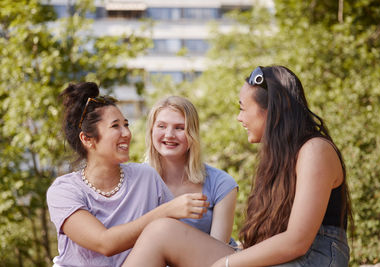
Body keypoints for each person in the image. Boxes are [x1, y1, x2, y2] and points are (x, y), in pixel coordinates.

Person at [122, 65, 352, 267]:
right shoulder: (281, 158)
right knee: (160, 231)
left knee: (162, 231)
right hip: (283, 260)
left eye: (243, 108)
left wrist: (226, 263)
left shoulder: (314, 150)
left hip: (311, 261)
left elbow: (297, 242)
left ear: (270, 111)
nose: (239, 118)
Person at [46, 82, 209, 267]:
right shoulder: (64, 191)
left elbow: (175, 239)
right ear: (87, 139)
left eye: (126, 124)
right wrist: (167, 210)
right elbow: (104, 243)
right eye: (115, 126)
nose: (127, 133)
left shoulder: (146, 176)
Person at [146, 96, 238, 244]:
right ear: (151, 131)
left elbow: (217, 253)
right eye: (161, 126)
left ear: (192, 133)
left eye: (179, 128)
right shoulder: (135, 179)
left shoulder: (222, 184)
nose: (169, 135)